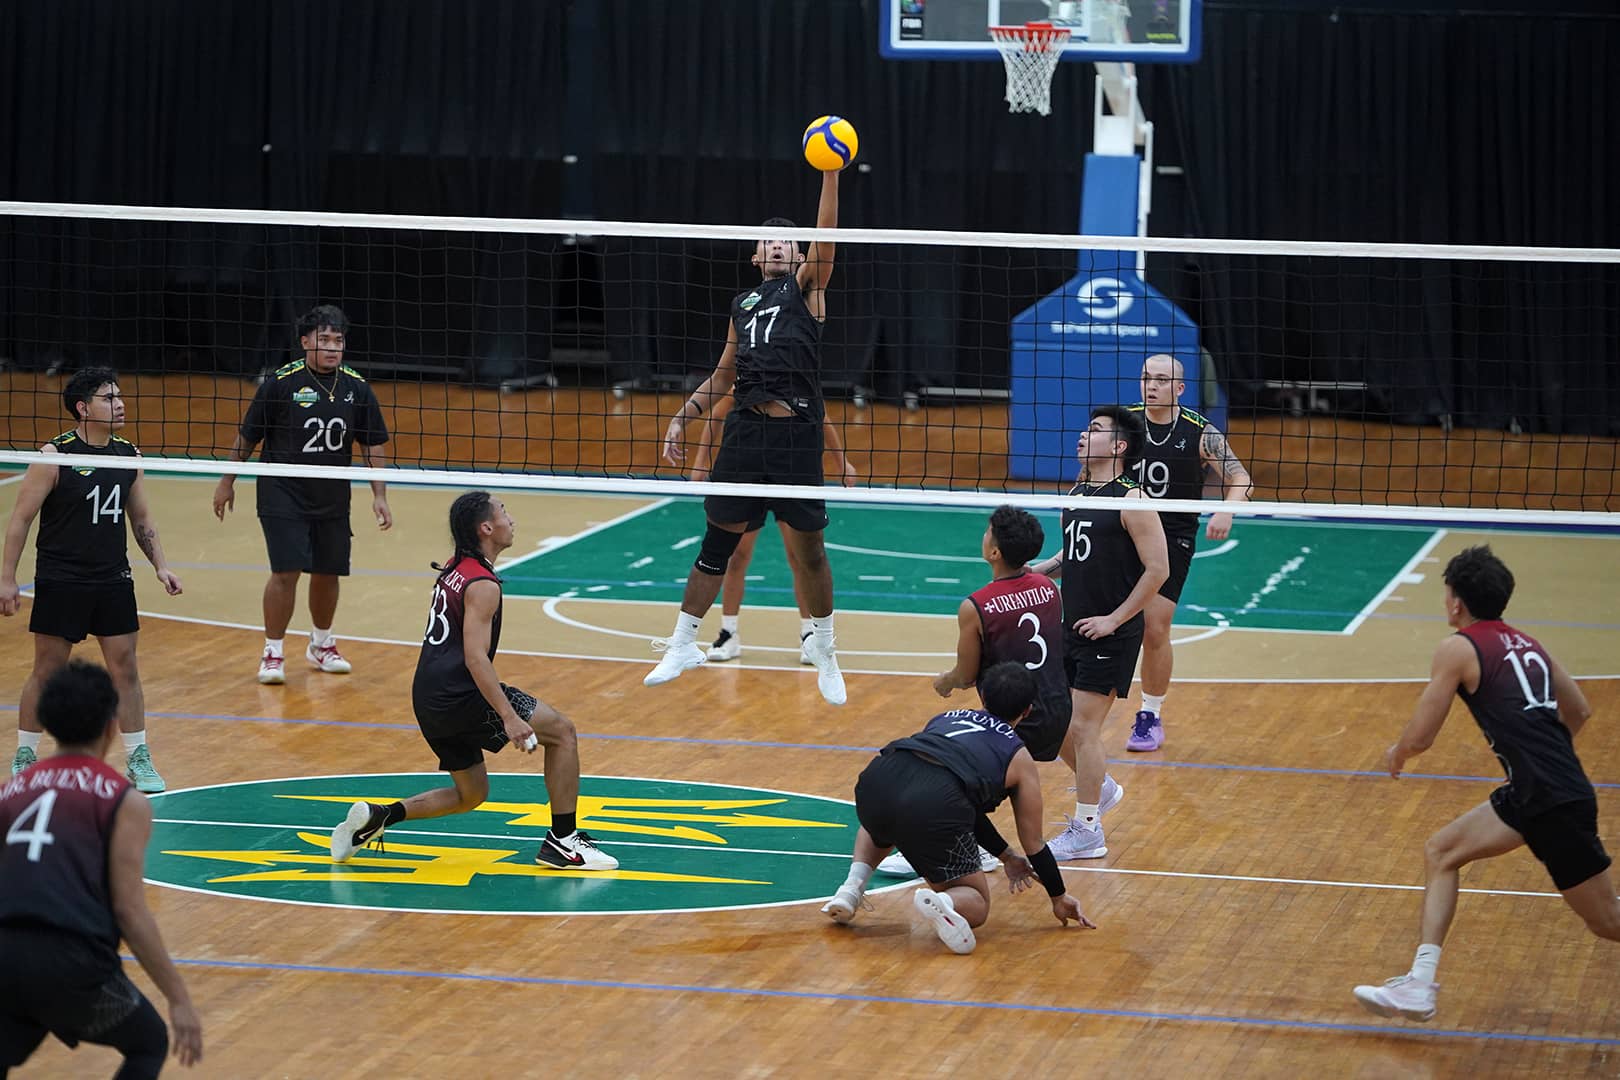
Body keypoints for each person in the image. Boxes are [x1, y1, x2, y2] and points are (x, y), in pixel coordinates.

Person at [1353, 546, 1618, 1022]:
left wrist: (1399, 752)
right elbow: (1579, 709)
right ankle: (1419, 983)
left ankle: (1419, 984)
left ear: (1456, 602)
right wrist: (1544, 759)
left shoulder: (1458, 647)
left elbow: (1422, 736)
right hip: (1538, 791)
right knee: (1442, 851)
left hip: (1551, 799)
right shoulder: (1530, 644)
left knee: (1607, 922)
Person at [329, 491, 616, 871]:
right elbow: (475, 657)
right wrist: (509, 718)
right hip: (460, 695)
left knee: (472, 794)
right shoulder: (483, 585)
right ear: (486, 528)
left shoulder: (455, 567)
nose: (510, 519)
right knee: (562, 732)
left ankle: (380, 817)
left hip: (428, 697)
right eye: (503, 513)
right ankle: (563, 842)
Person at [648, 168, 849, 705]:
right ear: (756, 256)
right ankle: (683, 642)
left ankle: (825, 649)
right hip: (744, 433)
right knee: (717, 542)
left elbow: (825, 234)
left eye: (788, 241)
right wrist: (682, 418)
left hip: (796, 436)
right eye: (769, 241)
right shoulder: (743, 304)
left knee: (809, 553)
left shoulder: (807, 290)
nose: (778, 245)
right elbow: (723, 374)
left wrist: (830, 175)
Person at [873, 505, 1123, 878]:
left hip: (1013, 722)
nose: (984, 535)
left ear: (994, 552)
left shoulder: (975, 606)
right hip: (1057, 711)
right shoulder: (1048, 588)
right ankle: (1099, 784)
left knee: (946, 760)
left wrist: (945, 682)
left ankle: (967, 845)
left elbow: (968, 675)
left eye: (988, 531)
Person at [0, 660, 203, 1077]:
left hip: (4, 955)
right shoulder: (123, 801)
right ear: (112, 725)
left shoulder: (9, 792)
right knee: (149, 1042)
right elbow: (130, 910)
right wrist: (178, 996)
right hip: (73, 963)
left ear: (48, 722)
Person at [820, 662, 1095, 954]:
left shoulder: (945, 717)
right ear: (1027, 711)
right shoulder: (1019, 757)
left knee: (886, 815)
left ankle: (851, 889)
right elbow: (1034, 843)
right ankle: (947, 903)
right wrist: (1058, 895)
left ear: (983, 698)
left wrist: (1006, 856)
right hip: (935, 803)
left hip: (879, 779)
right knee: (977, 902)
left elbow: (960, 799)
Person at [2, 368, 182, 793]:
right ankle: (26, 754)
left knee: (126, 670)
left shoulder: (128, 455)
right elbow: (20, 519)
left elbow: (141, 519)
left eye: (119, 396)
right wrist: (7, 578)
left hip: (112, 578)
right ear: (83, 408)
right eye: (108, 398)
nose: (119, 404)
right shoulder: (54, 455)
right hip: (61, 577)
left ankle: (138, 757)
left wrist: (160, 565)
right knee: (46, 671)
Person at [212, 304, 392, 685]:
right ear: (305, 341)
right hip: (282, 491)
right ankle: (273, 651)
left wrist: (380, 495)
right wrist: (227, 481)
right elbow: (248, 437)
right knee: (286, 570)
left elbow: (372, 444)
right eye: (324, 340)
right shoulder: (280, 382)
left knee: (328, 572)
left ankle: (321, 644)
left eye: (338, 341)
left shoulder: (357, 388)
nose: (331, 348)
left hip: (331, 494)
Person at [1031, 406, 1167, 861]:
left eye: (1095, 431)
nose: (1082, 436)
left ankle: (1088, 830)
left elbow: (1158, 571)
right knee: (1053, 722)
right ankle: (1102, 786)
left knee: (1082, 726)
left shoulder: (1133, 498)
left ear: (1120, 447)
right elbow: (1078, 549)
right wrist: (1047, 568)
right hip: (1073, 624)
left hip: (1112, 631)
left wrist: (1115, 619)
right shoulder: (1078, 491)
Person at [1124, 354, 1253, 752]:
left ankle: (1150, 714)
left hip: (1172, 537)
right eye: (1147, 377)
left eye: (1161, 380)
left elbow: (1241, 477)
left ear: (1179, 388)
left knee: (1154, 627)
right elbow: (1090, 467)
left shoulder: (1199, 432)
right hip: (1122, 529)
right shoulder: (1123, 422)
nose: (1152, 386)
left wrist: (1226, 509)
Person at [688, 392, 857, 664]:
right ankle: (728, 632)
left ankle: (808, 635)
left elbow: (822, 419)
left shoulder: (799, 379)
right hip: (748, 472)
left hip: (787, 471)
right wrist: (701, 461)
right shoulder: (745, 383)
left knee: (800, 557)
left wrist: (842, 463)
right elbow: (716, 415)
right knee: (736, 557)